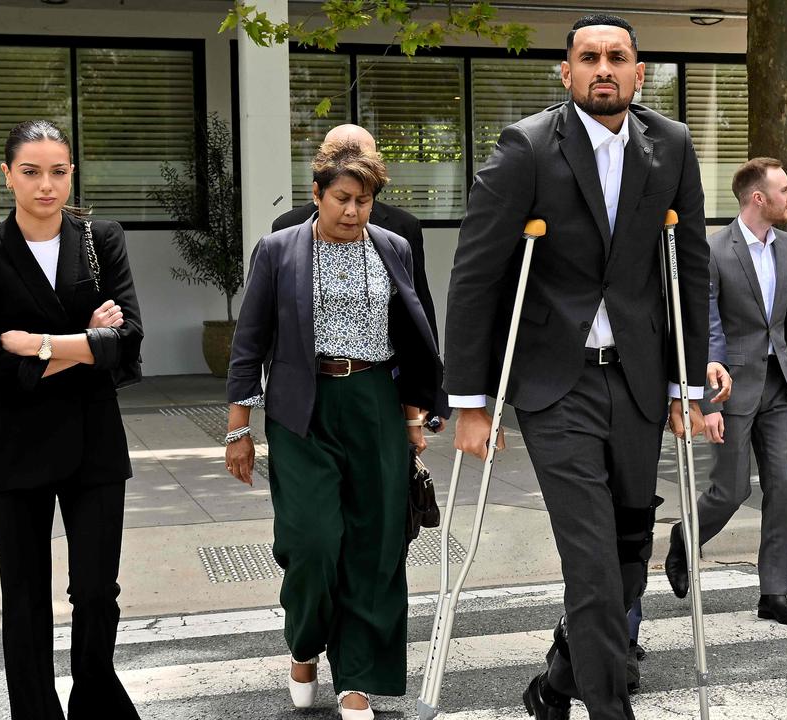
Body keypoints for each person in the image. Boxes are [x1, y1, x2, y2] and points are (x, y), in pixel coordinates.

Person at [442, 13, 708, 720]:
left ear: (638, 71)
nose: (603, 68)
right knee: (591, 564)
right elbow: (475, 275)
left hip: (639, 378)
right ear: (566, 72)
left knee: (627, 553)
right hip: (556, 385)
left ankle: (557, 681)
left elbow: (689, 268)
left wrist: (687, 384)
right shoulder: (527, 148)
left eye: (617, 57)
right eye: (588, 57)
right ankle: (608, 709)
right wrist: (471, 401)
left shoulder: (672, 146)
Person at [224, 139, 443, 720]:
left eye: (364, 201)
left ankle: (356, 680)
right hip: (303, 408)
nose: (352, 211)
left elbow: (414, 332)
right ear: (316, 195)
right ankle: (304, 643)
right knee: (313, 543)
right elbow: (249, 341)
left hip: (374, 402)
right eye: (342, 199)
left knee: (375, 549)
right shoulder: (278, 250)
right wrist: (238, 427)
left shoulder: (393, 247)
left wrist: (415, 417)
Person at [0, 119, 144, 719]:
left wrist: (37, 344)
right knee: (26, 597)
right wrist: (89, 341)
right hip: (16, 449)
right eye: (31, 172)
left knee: (96, 592)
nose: (46, 185)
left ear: (71, 175)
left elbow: (131, 344)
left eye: (58, 172)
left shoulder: (100, 239)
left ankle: (95, 700)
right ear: (7, 175)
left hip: (94, 442)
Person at [664, 157, 787, 626]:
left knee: (783, 487)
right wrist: (707, 402)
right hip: (730, 388)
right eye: (784, 190)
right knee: (730, 490)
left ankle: (774, 593)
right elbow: (707, 329)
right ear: (758, 198)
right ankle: (686, 537)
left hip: (779, 387)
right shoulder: (714, 251)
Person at [272, 124, 441, 352]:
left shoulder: (402, 228)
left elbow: (417, 306)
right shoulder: (288, 228)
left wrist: (429, 378)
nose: (352, 164)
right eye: (340, 154)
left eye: (362, 157)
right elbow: (272, 316)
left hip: (382, 372)